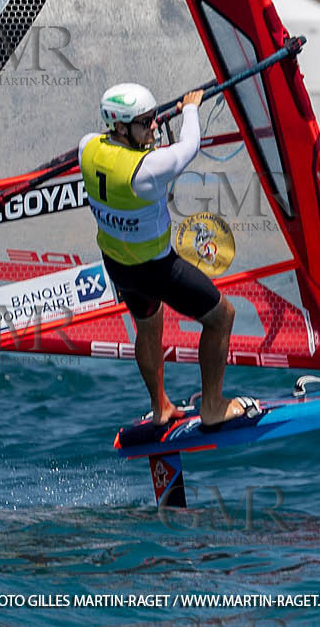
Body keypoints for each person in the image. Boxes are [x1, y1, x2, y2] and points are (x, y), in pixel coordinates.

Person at [79, 83, 256, 430]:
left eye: (154, 118)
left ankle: (161, 406)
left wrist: (152, 124)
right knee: (221, 316)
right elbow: (189, 147)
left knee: (148, 325)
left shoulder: (87, 147)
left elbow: (113, 147)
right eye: (145, 122)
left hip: (118, 265)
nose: (154, 127)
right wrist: (190, 108)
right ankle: (213, 406)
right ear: (120, 127)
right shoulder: (146, 170)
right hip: (156, 268)